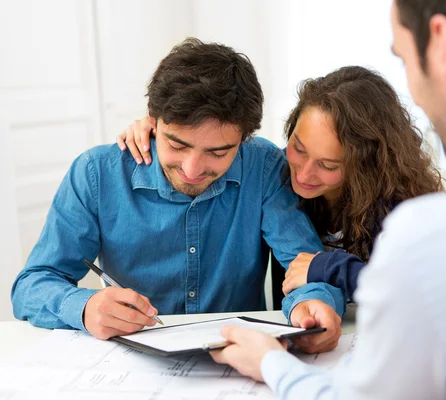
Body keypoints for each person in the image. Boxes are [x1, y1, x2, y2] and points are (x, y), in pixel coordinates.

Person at [209, 0, 446, 398]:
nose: (307, 173)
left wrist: (270, 363)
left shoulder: (429, 235)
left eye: (404, 57)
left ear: (444, 44)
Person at [11, 38, 344, 353]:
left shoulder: (265, 167)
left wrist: (312, 306)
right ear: (153, 122)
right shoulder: (97, 173)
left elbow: (310, 268)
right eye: (177, 144)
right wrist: (85, 308)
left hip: (237, 360)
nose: (192, 168)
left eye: (218, 152)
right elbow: (32, 285)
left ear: (245, 138)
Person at [118, 66, 444, 301]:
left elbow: (426, 290)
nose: (302, 174)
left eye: (328, 165)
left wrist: (327, 266)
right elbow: (221, 140)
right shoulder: (278, 176)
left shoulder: (406, 210)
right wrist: (161, 132)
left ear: (368, 165)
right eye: (298, 149)